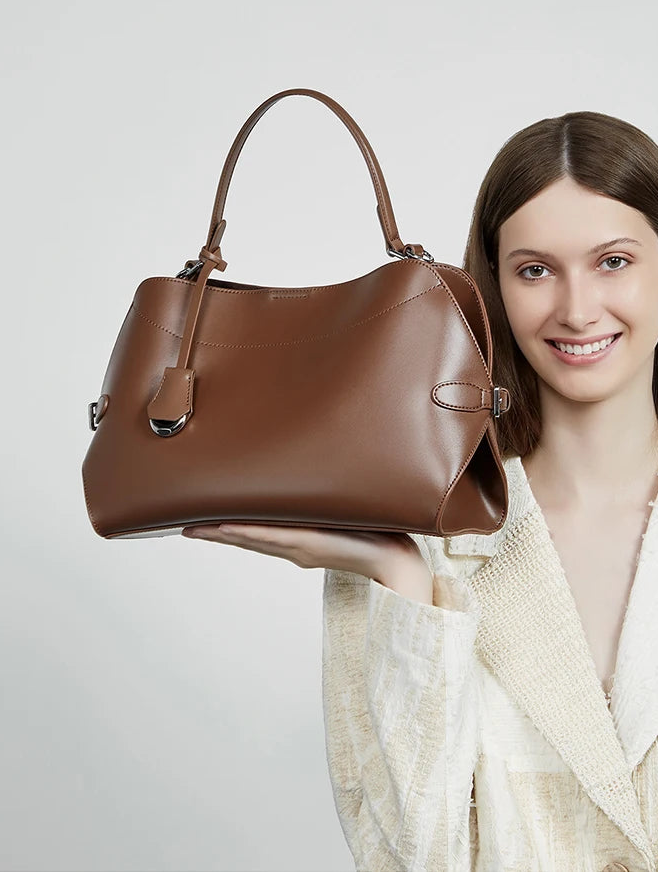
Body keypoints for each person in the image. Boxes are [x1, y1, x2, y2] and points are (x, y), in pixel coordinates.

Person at [181, 109, 658, 872]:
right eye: (535, 270)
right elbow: (405, 854)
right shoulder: (423, 526)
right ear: (493, 285)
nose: (576, 309)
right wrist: (402, 577)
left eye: (613, 261)